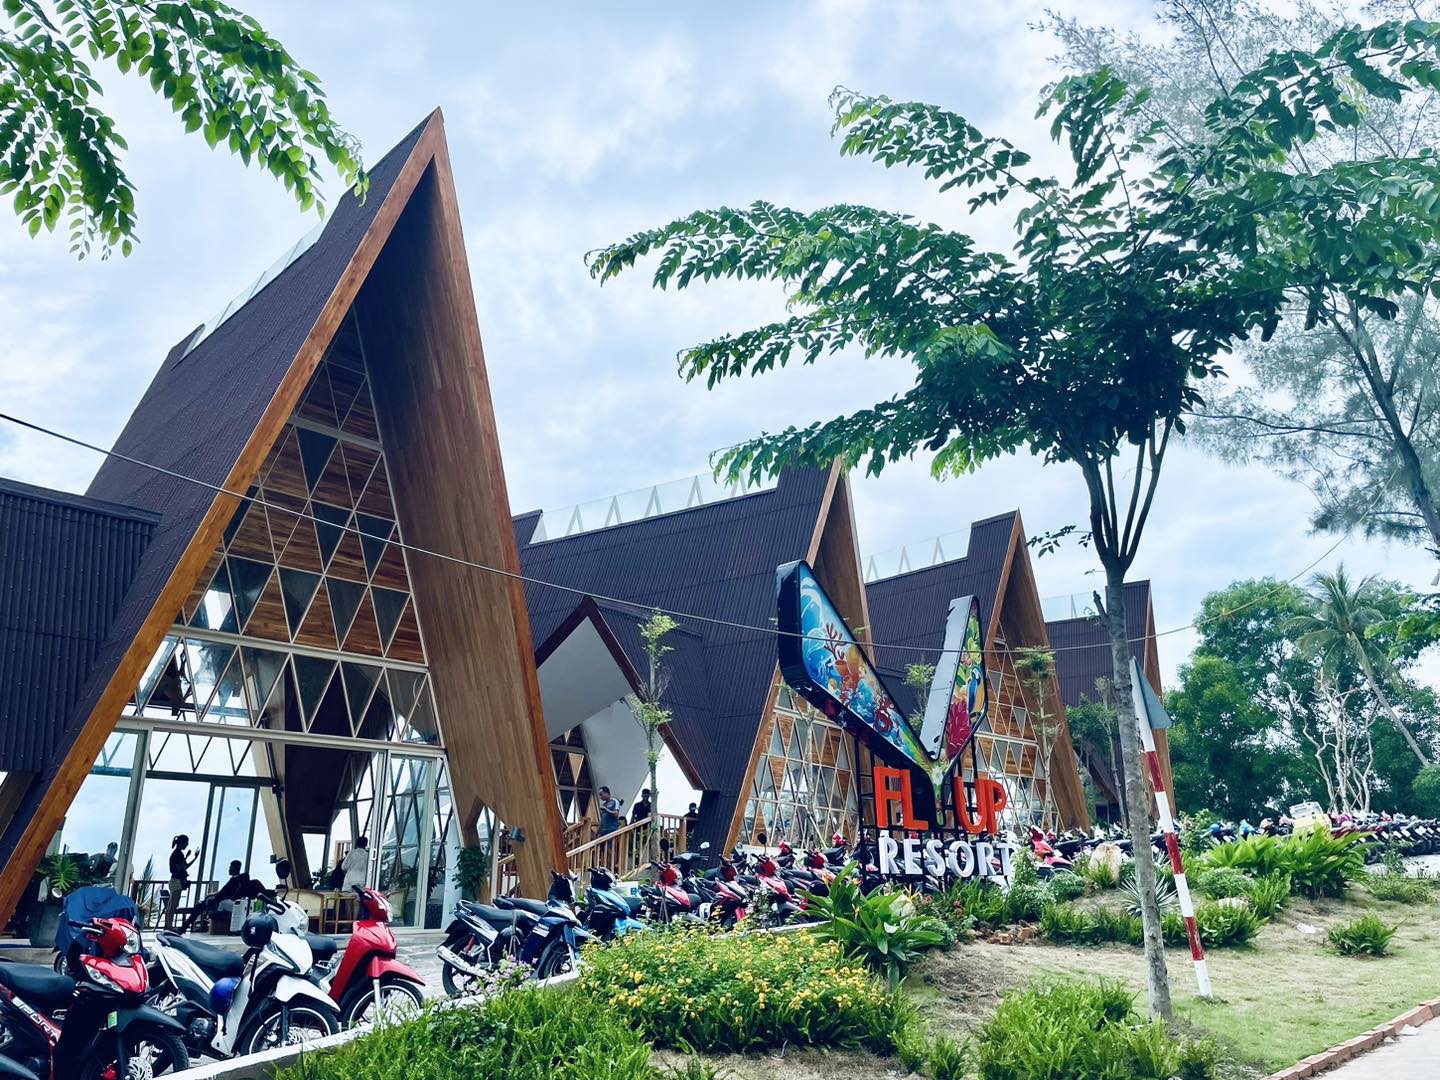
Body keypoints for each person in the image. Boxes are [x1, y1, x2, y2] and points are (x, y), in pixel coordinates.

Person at [184, 860, 253, 932]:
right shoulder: (237, 880)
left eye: (230, 867)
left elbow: (224, 893)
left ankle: (186, 926)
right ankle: (190, 925)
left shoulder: (234, 881)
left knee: (199, 906)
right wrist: (212, 895)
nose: (229, 869)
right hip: (222, 900)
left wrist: (213, 898)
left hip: (222, 902)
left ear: (235, 868)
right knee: (201, 905)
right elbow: (224, 892)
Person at [163, 835, 197, 930]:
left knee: (172, 905)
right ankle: (169, 926)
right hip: (176, 882)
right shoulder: (177, 854)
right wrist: (189, 857)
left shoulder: (178, 853)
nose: (187, 845)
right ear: (181, 843)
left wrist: (191, 857)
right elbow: (180, 867)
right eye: (186, 843)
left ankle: (168, 925)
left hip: (175, 881)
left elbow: (184, 866)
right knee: (172, 906)